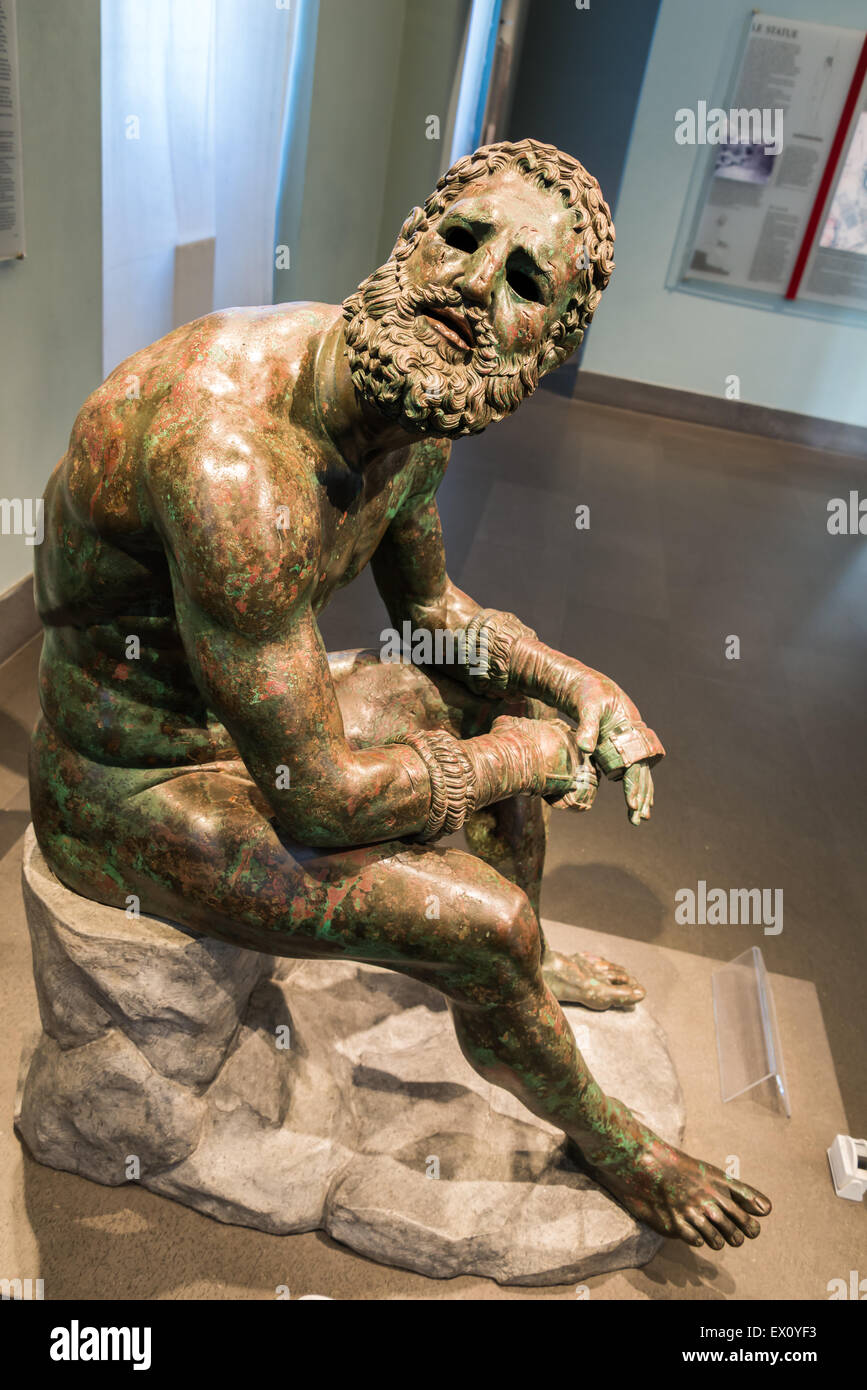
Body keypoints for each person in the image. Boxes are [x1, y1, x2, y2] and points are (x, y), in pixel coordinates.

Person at [31, 139, 770, 1251]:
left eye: (524, 282)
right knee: (484, 916)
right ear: (413, 239)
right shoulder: (236, 457)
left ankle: (515, 988)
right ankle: (605, 1127)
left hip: (243, 713)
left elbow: (431, 616)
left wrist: (574, 684)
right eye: (465, 239)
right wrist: (531, 755)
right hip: (133, 780)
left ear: (550, 343)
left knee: (471, 710)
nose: (475, 285)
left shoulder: (405, 400)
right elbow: (320, 799)